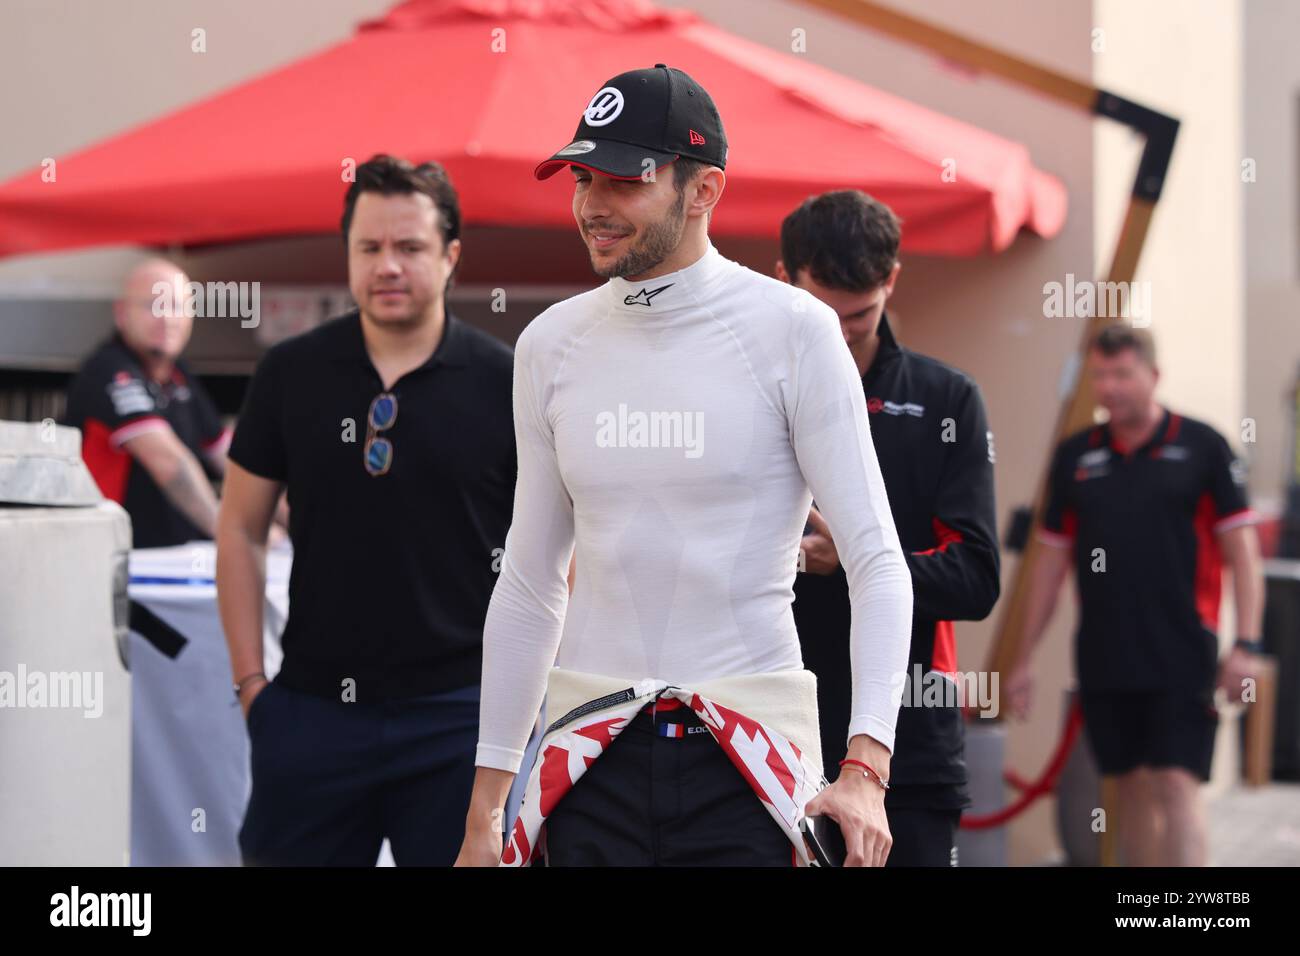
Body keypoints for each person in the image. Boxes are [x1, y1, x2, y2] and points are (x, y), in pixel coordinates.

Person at [455, 65, 913, 868]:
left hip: (750, 759)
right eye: (582, 177)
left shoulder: (796, 331)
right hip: (589, 757)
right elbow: (529, 583)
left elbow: (878, 561)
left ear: (704, 190)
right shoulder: (548, 345)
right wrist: (485, 812)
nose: (593, 203)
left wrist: (866, 767)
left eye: (625, 180)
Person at [216, 155, 518, 866]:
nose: (388, 266)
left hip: (459, 725)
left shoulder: (506, 381)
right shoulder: (290, 374)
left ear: (450, 257)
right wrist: (252, 687)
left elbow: (552, 557)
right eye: (370, 248)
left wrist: (523, 714)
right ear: (348, 255)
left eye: (410, 248)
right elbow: (240, 528)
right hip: (311, 715)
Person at [778, 190, 1001, 866]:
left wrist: (854, 558)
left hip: (909, 747)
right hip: (770, 729)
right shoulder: (753, 388)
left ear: (892, 282)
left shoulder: (946, 399)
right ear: (783, 280)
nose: (841, 333)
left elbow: (976, 578)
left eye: (862, 314)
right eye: (824, 312)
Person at [1007, 324, 1265, 867]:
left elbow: (1243, 554)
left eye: (1122, 374)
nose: (1111, 387)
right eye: (1100, 375)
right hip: (1105, 655)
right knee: (1129, 789)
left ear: (1153, 375)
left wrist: (1247, 645)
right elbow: (1050, 567)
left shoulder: (1203, 447)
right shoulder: (1077, 456)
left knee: (1177, 783)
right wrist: (1023, 659)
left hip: (1184, 651)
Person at [64, 258, 232, 548]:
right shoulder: (108, 369)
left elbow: (231, 457)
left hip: (178, 562)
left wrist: (290, 518)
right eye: (153, 305)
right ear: (121, 313)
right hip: (117, 560)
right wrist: (236, 536)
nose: (167, 317)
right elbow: (167, 461)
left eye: (177, 306)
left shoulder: (179, 375)